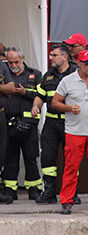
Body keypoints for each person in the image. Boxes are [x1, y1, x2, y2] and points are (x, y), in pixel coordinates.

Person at [51, 49, 88, 214]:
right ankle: (67, 201)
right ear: (78, 63)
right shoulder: (67, 81)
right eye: (87, 63)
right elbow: (55, 103)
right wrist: (69, 108)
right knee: (71, 167)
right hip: (74, 132)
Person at [32, 44, 77, 204]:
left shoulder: (76, 73)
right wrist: (35, 106)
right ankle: (49, 191)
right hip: (51, 121)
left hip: (70, 122)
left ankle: (72, 193)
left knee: (71, 158)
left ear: (64, 57)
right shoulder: (48, 75)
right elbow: (40, 94)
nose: (51, 58)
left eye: (54, 55)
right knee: (48, 156)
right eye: (50, 55)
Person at [2, 47, 42, 200]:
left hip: (28, 123)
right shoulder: (3, 74)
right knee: (10, 157)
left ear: (23, 58)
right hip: (8, 122)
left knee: (31, 157)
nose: (13, 65)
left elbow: (41, 95)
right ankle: (10, 189)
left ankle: (34, 188)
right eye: (10, 62)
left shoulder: (35, 74)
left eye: (16, 62)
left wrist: (25, 92)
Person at [0, 53, 16, 204]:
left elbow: (11, 88)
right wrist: (2, 89)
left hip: (1, 114)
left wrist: (5, 89)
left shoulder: (2, 66)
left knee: (1, 152)